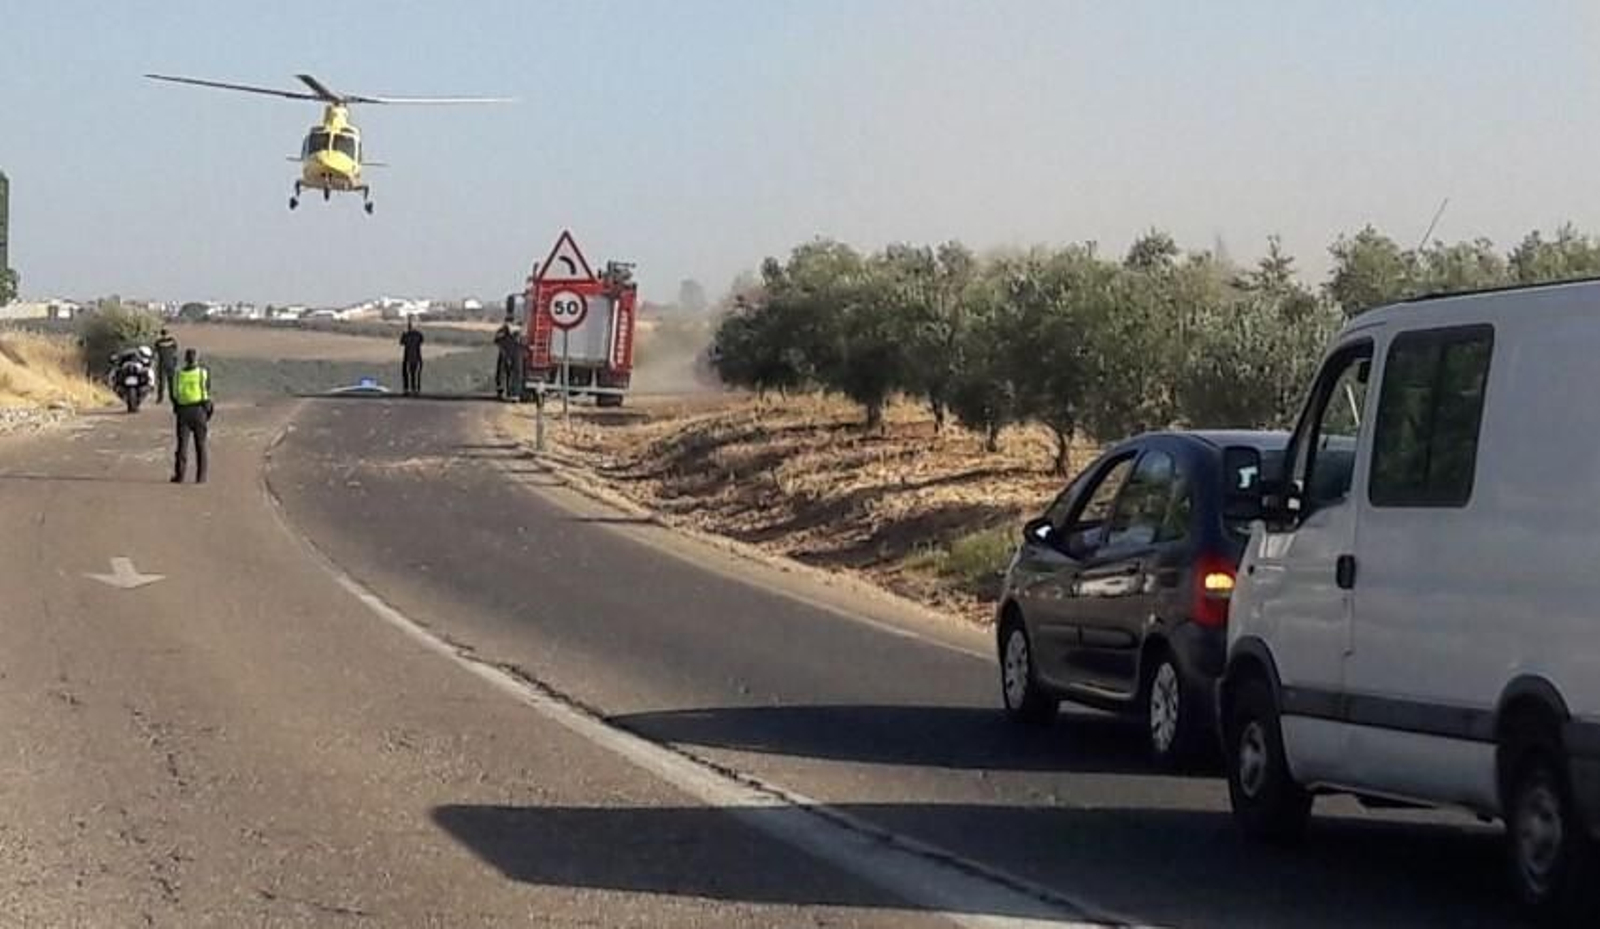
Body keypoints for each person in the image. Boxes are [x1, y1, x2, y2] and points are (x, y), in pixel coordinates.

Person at [170, 348, 213, 484]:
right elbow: (207, 390)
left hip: (183, 411)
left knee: (182, 445)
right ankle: (201, 477)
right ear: (196, 359)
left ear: (185, 359)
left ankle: (180, 475)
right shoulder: (202, 373)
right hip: (199, 410)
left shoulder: (178, 375)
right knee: (201, 445)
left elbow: (175, 394)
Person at [399, 317, 425, 396]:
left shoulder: (407, 335)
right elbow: (421, 341)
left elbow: (401, 342)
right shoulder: (418, 334)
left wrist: (404, 333)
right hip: (416, 356)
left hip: (408, 356)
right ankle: (415, 389)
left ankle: (407, 389)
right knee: (415, 374)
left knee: (407, 373)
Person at [153, 328, 179, 404]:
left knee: (162, 383)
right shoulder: (172, 341)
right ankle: (172, 398)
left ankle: (160, 398)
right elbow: (175, 351)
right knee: (171, 382)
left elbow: (156, 352)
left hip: (162, 364)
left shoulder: (158, 342)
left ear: (161, 334)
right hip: (171, 363)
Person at [494, 316, 517, 399]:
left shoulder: (515, 331)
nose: (508, 323)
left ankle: (509, 391)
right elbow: (496, 341)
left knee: (509, 373)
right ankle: (501, 391)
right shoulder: (502, 330)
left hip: (510, 353)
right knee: (501, 372)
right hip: (504, 353)